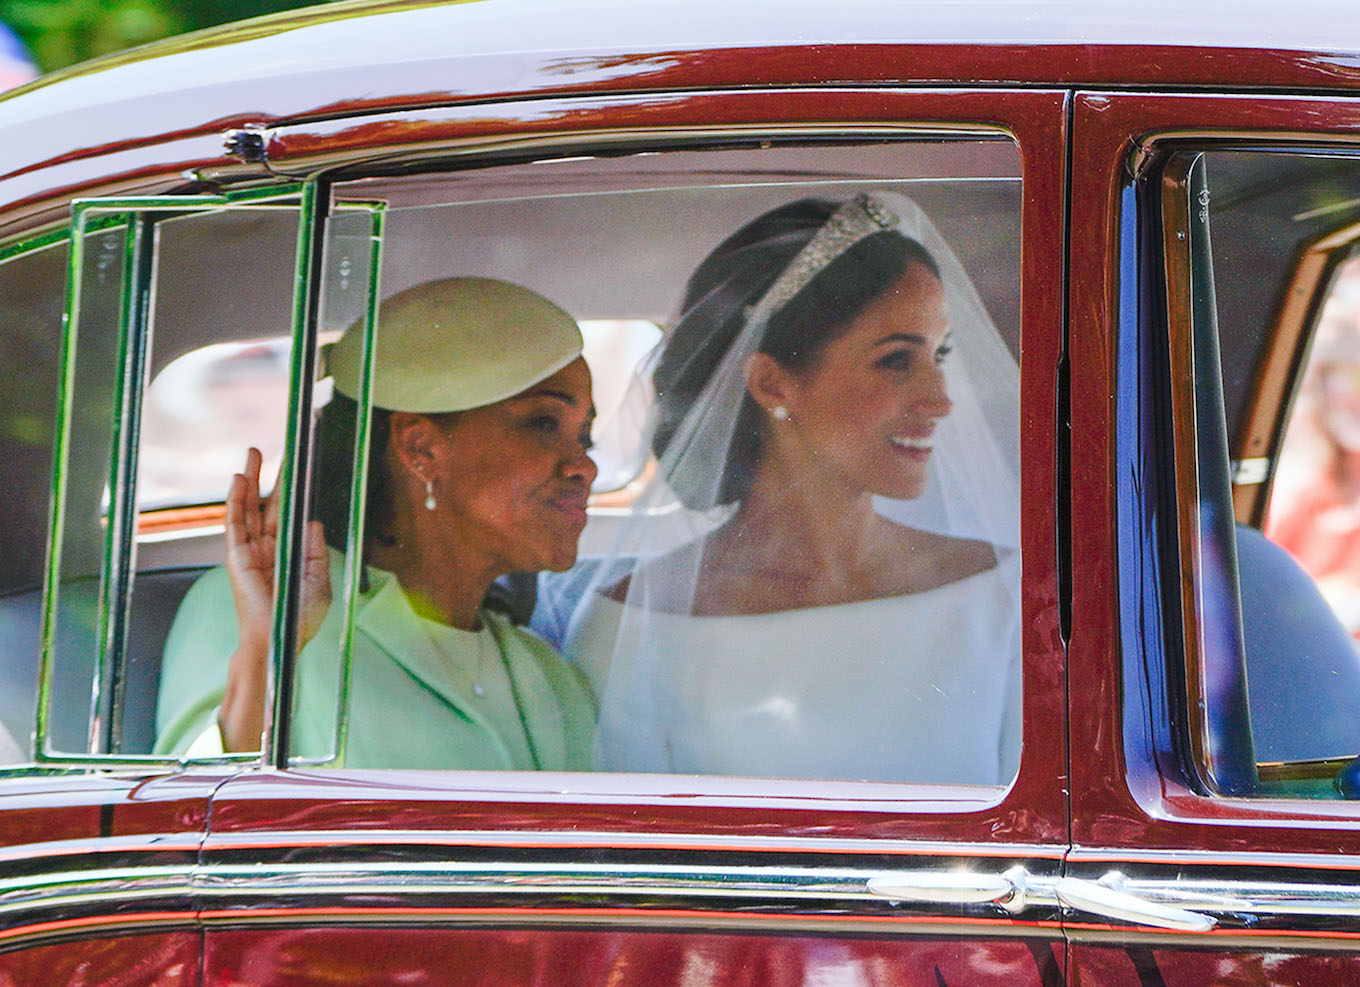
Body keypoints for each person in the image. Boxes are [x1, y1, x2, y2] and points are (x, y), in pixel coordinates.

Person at [560, 192, 1021, 784]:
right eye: (896, 361)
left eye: (941, 355)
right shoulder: (631, 626)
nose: (941, 399)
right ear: (773, 383)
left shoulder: (1003, 596)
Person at [155, 277, 597, 770]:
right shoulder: (265, 608)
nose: (584, 467)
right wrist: (264, 654)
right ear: (421, 449)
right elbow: (184, 823)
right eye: (543, 424)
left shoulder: (551, 677)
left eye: (587, 438)